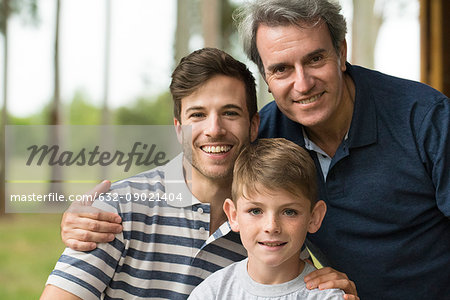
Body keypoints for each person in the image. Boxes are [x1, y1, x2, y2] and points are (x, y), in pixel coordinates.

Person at [41, 48, 357, 299]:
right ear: (179, 129)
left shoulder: (268, 229)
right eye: (198, 114)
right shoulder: (116, 210)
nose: (214, 129)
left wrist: (332, 287)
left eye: (230, 113)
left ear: (254, 126)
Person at [235, 0, 450, 299]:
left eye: (315, 59)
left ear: (341, 53)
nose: (303, 83)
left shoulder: (426, 118)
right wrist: (305, 277)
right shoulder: (264, 137)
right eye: (282, 69)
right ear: (266, 78)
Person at [188, 138, 344, 299]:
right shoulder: (211, 293)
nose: (271, 226)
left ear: (314, 217)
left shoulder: (328, 296)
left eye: (289, 212)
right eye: (255, 211)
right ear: (233, 215)